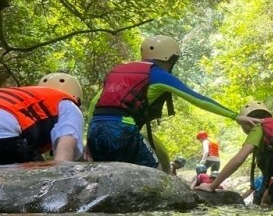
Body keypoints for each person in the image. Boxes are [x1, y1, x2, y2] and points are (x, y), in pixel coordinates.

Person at [86, 35, 258, 169]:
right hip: (122, 129)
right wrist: (234, 116)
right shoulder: (158, 74)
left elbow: (95, 103)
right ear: (170, 59)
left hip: (95, 129)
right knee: (158, 173)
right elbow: (198, 99)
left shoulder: (120, 72)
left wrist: (89, 138)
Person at [0, 73, 84, 164]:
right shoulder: (69, 104)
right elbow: (65, 153)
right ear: (77, 99)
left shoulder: (28, 95)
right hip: (5, 129)